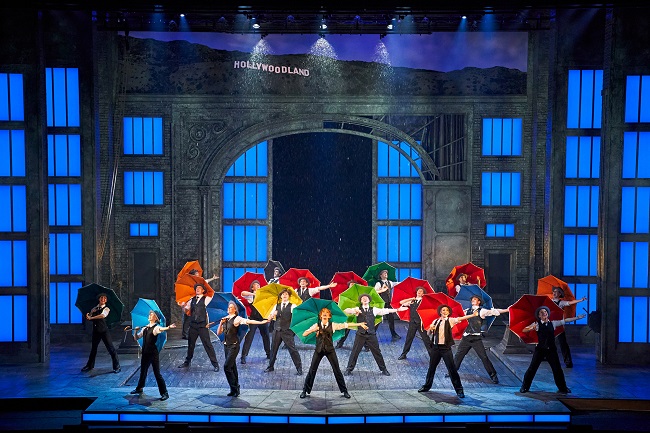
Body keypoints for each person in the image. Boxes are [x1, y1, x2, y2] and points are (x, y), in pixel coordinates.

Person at [299, 307, 368, 399]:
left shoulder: (333, 325)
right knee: (312, 370)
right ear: (320, 315)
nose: (325, 313)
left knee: (337, 370)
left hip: (330, 350)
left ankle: (344, 391)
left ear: (329, 316)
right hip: (319, 351)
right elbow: (304, 334)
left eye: (327, 312)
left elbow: (346, 325)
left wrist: (359, 324)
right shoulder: (316, 325)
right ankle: (305, 391)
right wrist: (313, 330)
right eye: (323, 312)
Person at [519, 306, 585, 394]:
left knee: (557, 369)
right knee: (532, 368)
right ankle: (525, 387)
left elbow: (565, 320)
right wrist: (531, 328)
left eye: (545, 311)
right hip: (540, 349)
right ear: (539, 316)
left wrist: (577, 318)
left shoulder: (553, 323)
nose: (544, 313)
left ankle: (563, 388)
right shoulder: (536, 324)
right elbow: (524, 330)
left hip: (551, 350)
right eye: (542, 312)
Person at [418, 304, 477, 398]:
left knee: (452, 369)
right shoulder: (435, 321)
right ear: (440, 312)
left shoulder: (450, 320)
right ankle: (426, 386)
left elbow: (461, 318)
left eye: (446, 310)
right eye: (443, 310)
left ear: (449, 312)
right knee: (431, 368)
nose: (445, 311)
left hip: (445, 348)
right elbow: (429, 333)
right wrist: (430, 329)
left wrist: (473, 315)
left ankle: (459, 390)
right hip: (436, 348)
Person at [343, 293, 408, 376]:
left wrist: (397, 309)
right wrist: (354, 310)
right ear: (361, 301)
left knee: (377, 352)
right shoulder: (357, 309)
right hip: (360, 334)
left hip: (371, 334)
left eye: (366, 298)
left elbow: (385, 310)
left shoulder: (374, 310)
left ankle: (383, 369)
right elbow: (346, 310)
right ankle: (349, 369)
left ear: (369, 300)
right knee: (355, 352)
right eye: (363, 298)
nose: (365, 299)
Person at [450, 295, 509, 384]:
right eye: (472, 299)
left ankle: (493, 375)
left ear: (479, 302)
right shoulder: (467, 311)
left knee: (484, 357)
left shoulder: (482, 311)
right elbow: (457, 316)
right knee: (458, 355)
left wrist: (507, 310)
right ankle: (452, 372)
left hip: (476, 338)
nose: (473, 300)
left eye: (475, 299)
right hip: (466, 338)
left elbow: (494, 311)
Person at [217, 301, 269, 397]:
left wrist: (261, 322)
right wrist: (221, 323)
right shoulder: (225, 319)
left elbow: (249, 321)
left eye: (231, 307)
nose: (229, 309)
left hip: (234, 346)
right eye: (228, 307)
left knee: (226, 367)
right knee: (232, 367)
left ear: (235, 310)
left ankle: (235, 387)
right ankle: (234, 390)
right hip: (226, 346)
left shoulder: (237, 319)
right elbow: (219, 333)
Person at [129, 311, 176, 401]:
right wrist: (135, 331)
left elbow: (161, 329)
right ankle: (139, 388)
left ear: (156, 318)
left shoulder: (156, 328)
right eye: (150, 314)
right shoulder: (145, 328)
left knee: (157, 373)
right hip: (145, 352)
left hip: (153, 353)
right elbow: (136, 338)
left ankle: (164, 393)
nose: (150, 316)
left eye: (152, 315)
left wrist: (169, 327)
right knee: (143, 371)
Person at [177, 283, 220, 371]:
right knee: (191, 344)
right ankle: (187, 362)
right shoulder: (192, 299)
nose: (198, 289)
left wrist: (210, 322)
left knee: (207, 344)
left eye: (200, 288)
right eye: (196, 288)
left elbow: (212, 306)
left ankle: (215, 364)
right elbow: (187, 310)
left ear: (203, 290)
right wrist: (183, 306)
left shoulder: (206, 299)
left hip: (202, 325)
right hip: (193, 325)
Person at [265, 289, 303, 375]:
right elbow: (269, 319)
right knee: (273, 349)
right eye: (283, 294)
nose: (284, 295)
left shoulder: (292, 306)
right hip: (277, 330)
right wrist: (273, 314)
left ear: (289, 296)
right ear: (280, 296)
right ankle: (270, 366)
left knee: (292, 350)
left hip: (287, 331)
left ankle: (299, 368)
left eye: (286, 294)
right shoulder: (276, 306)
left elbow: (297, 317)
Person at [81, 293, 121, 374]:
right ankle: (89, 365)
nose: (103, 299)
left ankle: (117, 367)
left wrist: (92, 317)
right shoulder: (94, 308)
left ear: (106, 300)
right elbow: (89, 317)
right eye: (101, 298)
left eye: (105, 298)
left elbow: (102, 316)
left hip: (104, 331)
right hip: (96, 330)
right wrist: (90, 313)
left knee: (111, 348)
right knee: (93, 348)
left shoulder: (106, 308)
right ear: (99, 299)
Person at [552, 286, 587, 368]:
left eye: (556, 292)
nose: (554, 293)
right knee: (548, 343)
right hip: (551, 324)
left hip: (559, 324)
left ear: (560, 294)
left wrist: (581, 300)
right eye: (554, 291)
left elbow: (570, 302)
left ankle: (568, 362)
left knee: (563, 344)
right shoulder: (549, 301)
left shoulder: (561, 302)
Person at [179, 269, 218, 340]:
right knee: (188, 319)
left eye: (198, 275)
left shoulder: (198, 283)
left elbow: (205, 282)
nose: (198, 276)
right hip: (189, 302)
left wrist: (212, 278)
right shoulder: (188, 283)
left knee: (195, 317)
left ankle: (194, 333)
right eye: (196, 275)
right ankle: (185, 334)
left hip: (196, 302)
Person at [239, 279, 271, 364]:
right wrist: (254, 294)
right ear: (252, 288)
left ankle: (269, 353)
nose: (258, 285)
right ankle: (243, 356)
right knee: (249, 337)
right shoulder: (250, 296)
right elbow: (243, 293)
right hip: (253, 319)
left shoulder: (263, 296)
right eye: (256, 285)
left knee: (266, 336)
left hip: (263, 318)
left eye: (258, 285)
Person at [398, 286, 432, 360]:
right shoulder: (412, 301)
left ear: (423, 294)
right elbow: (401, 302)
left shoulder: (424, 301)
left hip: (420, 323)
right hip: (412, 322)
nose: (419, 292)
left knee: (426, 339)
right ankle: (404, 354)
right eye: (418, 291)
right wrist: (411, 298)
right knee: (409, 338)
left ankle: (432, 355)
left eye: (421, 291)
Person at [374, 269, 401, 341]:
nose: (385, 274)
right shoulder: (378, 283)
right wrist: (381, 290)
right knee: (378, 319)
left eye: (386, 273)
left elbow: (397, 283)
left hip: (388, 303)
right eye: (384, 273)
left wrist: (405, 281)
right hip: (381, 304)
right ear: (380, 275)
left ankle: (394, 334)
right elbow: (374, 292)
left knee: (391, 320)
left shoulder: (390, 282)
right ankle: (372, 334)